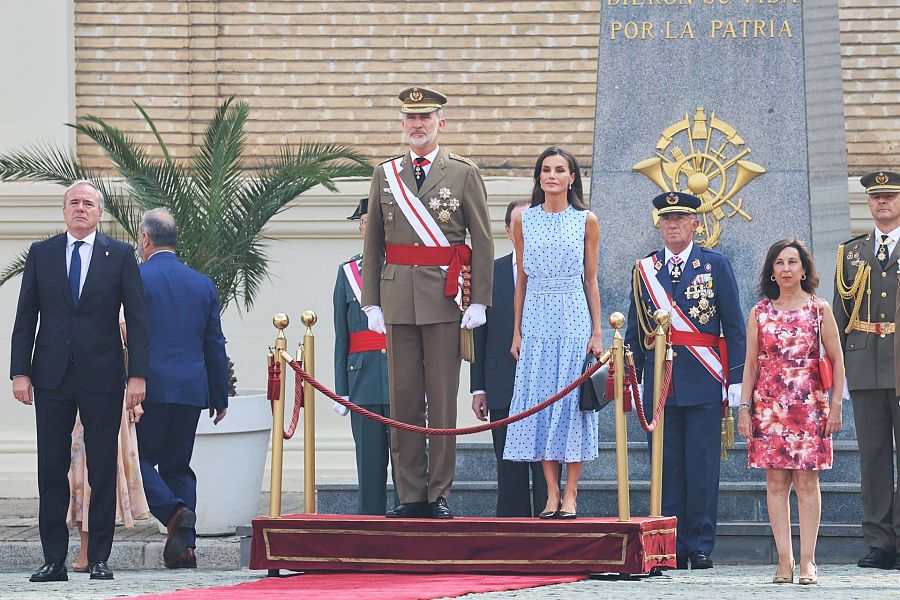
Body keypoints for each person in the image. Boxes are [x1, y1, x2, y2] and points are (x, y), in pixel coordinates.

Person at [362, 86, 493, 519]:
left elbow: (483, 240)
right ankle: (409, 493)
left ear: (441, 123)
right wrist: (371, 301)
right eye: (410, 119)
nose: (417, 125)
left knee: (440, 398)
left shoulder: (462, 172)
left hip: (445, 294)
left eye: (426, 118)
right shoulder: (385, 174)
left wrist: (480, 300)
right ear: (403, 124)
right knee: (402, 398)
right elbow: (374, 242)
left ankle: (438, 493)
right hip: (397, 295)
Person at [10, 179, 149, 582]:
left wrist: (137, 375)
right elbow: (25, 317)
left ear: (99, 212)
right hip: (51, 374)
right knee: (51, 468)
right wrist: (21, 371)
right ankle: (54, 558)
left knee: (102, 467)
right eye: (74, 202)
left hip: (103, 374)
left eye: (88, 202)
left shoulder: (120, 254)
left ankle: (100, 558)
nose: (81, 208)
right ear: (64, 210)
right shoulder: (42, 253)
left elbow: (138, 320)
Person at [625, 191, 745, 569]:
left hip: (705, 378)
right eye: (666, 218)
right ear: (658, 223)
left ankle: (700, 544)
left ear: (696, 223)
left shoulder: (715, 265)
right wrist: (634, 377)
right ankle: (669, 545)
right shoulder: (645, 269)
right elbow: (636, 328)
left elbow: (735, 326)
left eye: (680, 218)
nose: (672, 224)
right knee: (666, 467)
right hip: (660, 383)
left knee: (703, 467)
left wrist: (736, 381)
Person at [503, 147, 603, 520]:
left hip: (574, 315)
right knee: (540, 402)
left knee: (572, 406)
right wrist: (516, 332)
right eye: (545, 169)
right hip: (536, 318)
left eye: (560, 170)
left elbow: (591, 279)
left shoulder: (586, 220)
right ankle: (549, 493)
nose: (551, 176)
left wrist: (596, 332)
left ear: (572, 177)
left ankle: (572, 492)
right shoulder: (524, 220)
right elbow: (521, 281)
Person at [738, 238, 844, 585]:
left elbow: (838, 361)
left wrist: (836, 404)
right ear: (771, 270)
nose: (786, 269)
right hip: (770, 409)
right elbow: (751, 364)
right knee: (775, 482)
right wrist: (743, 407)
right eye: (779, 263)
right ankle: (785, 560)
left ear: (804, 269)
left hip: (810, 406)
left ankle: (809, 561)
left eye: (792, 262)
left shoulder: (818, 309)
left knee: (807, 482)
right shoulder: (759, 312)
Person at [135, 208, 228, 569]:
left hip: (147, 388)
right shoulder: (201, 282)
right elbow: (214, 344)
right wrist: (218, 395)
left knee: (134, 460)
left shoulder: (136, 277)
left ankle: (174, 511)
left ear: (145, 238)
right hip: (191, 390)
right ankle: (186, 549)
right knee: (178, 465)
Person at [835, 170, 900, 570]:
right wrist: (840, 371)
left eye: (890, 196)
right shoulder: (852, 253)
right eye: (876, 197)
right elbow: (842, 315)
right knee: (872, 457)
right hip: (864, 364)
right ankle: (880, 542)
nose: (883, 203)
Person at [471, 199, 549, 517]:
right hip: (502, 383)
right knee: (509, 472)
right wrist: (478, 389)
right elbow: (479, 334)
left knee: (546, 471)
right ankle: (513, 538)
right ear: (506, 231)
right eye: (519, 224)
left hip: (547, 386)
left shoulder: (553, 272)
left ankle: (550, 537)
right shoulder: (490, 273)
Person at [69, 316, 150, 573]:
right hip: (69, 402)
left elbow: (129, 349)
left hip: (107, 396)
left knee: (97, 472)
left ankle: (92, 549)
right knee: (75, 473)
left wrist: (133, 397)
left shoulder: (119, 302)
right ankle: (82, 546)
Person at [333, 198, 398, 515]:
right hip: (363, 382)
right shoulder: (347, 273)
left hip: (404, 380)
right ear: (360, 229)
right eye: (365, 224)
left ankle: (410, 525)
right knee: (369, 464)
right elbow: (341, 335)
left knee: (407, 466)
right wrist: (341, 388)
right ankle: (370, 525)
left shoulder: (405, 269)